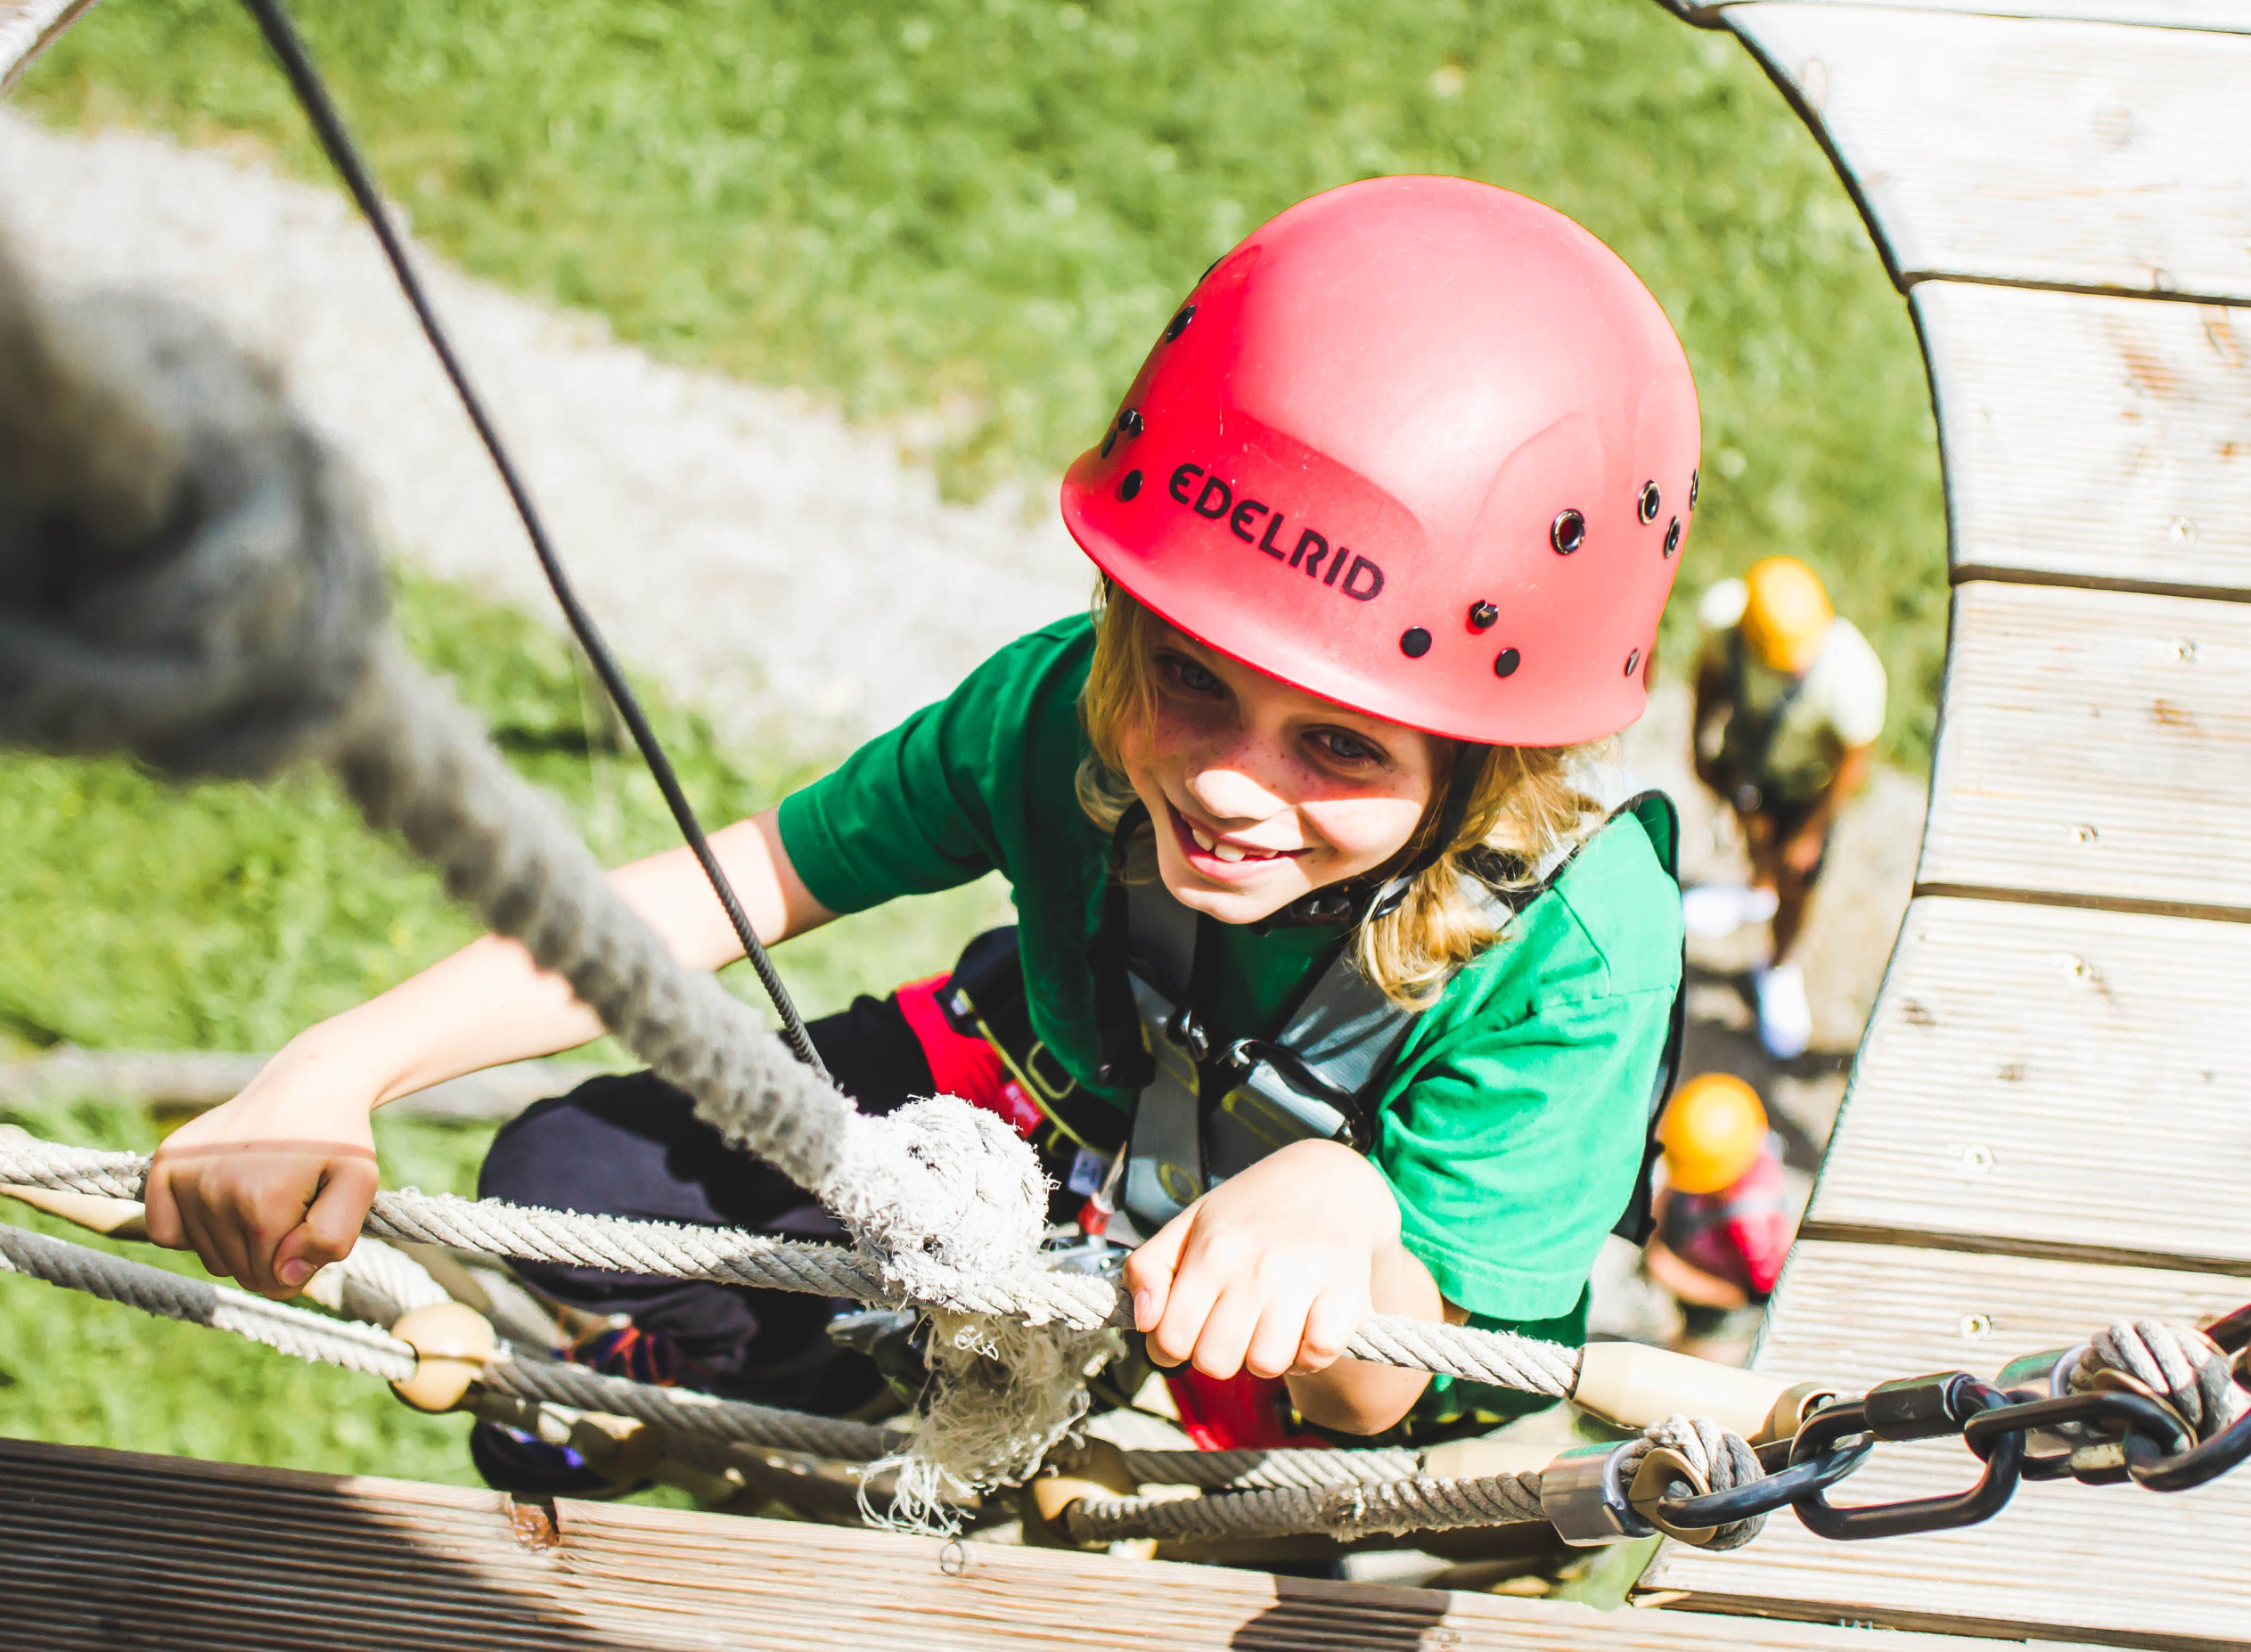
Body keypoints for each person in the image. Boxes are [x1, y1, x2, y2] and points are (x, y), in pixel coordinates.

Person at [141, 176, 1698, 1489]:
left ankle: (1005, 1383)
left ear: (1498, 755)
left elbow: (1376, 1399)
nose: (1228, 782)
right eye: (1187, 675)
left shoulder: (1573, 941)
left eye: (1340, 744)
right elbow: (740, 882)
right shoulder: (1058, 714)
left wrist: (1342, 1211)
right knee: (566, 1168)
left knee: (1282, 1494)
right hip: (1046, 1104)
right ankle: (811, 1370)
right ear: (1129, 612)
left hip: (1329, 1322)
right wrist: (338, 1064)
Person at [1687, 557, 1887, 1059]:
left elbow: (1851, 762)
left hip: (1806, 790)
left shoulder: (1852, 676)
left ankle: (1778, 965)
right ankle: (1756, 891)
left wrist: (1812, 831)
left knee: (1800, 879)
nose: (1799, 663)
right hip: (1751, 764)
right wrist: (1699, 745)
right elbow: (1709, 678)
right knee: (1753, 838)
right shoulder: (1728, 623)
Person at [1641, 1073, 1795, 1359]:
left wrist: (1674, 1274)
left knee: (1694, 1356)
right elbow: (1679, 1178)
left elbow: (1751, 1296)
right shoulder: (1740, 1137)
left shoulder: (1753, 1229)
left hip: (1720, 1316)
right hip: (1699, 1242)